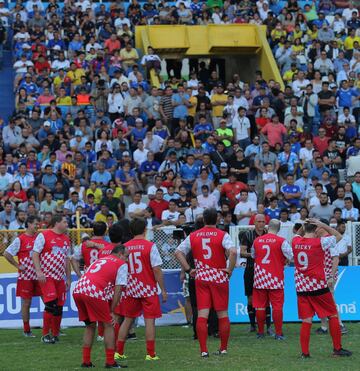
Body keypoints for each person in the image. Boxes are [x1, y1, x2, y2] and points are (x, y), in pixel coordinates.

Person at [175, 208, 237, 357]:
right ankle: (223, 349)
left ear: (203, 220)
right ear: (216, 219)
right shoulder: (223, 235)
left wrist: (189, 269)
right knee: (222, 314)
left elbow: (178, 252)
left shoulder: (193, 235)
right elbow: (234, 252)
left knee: (203, 313)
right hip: (218, 275)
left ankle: (203, 350)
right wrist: (230, 269)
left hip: (201, 276)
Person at [291, 219, 352, 358]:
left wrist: (303, 225)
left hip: (301, 287)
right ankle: (337, 349)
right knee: (332, 314)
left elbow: (298, 233)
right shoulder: (320, 242)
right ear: (316, 229)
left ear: (304, 228)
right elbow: (339, 236)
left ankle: (305, 353)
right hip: (318, 286)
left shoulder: (295, 242)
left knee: (306, 320)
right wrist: (323, 225)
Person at [116, 218, 167, 361]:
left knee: (127, 320)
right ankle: (150, 354)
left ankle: (118, 352)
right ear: (145, 229)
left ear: (131, 231)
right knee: (149, 321)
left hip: (131, 288)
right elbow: (156, 269)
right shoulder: (150, 246)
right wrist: (163, 289)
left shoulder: (124, 247)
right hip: (148, 288)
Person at [73, 244, 128, 369]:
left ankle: (86, 361)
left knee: (90, 326)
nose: (127, 259)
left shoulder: (101, 259)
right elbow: (118, 290)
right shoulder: (121, 264)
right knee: (108, 325)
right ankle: (110, 362)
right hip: (93, 291)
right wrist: (112, 311)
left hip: (78, 289)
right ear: (120, 254)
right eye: (126, 256)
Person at [32, 214, 71, 344]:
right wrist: (38, 271)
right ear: (57, 223)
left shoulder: (66, 239)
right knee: (51, 304)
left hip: (60, 278)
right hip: (47, 276)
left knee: (59, 306)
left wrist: (68, 279)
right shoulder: (44, 235)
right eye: (65, 222)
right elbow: (35, 253)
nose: (67, 224)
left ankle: (55, 334)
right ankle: (45, 335)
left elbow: (67, 260)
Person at [252, 219, 293, 340]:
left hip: (260, 277)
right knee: (277, 306)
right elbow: (292, 256)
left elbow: (254, 256)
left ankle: (260, 332)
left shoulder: (257, 240)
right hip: (275, 278)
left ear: (267, 227)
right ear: (279, 229)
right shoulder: (282, 241)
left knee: (260, 306)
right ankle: (278, 333)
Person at [4, 216, 41, 337]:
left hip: (40, 275)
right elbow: (7, 253)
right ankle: (26, 330)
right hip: (26, 277)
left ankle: (53, 327)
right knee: (26, 303)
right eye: (35, 224)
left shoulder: (39, 238)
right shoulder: (20, 239)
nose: (37, 226)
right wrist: (17, 265)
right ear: (29, 224)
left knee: (48, 300)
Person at [240, 214, 273, 334]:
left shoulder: (269, 235)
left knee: (267, 298)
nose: (261, 224)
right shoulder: (247, 235)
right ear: (254, 222)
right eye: (259, 221)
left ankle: (269, 326)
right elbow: (242, 253)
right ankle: (253, 325)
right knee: (250, 299)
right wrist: (254, 254)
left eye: (263, 221)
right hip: (250, 269)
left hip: (266, 271)